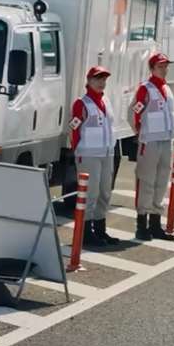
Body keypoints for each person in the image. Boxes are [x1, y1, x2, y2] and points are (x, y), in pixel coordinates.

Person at [128, 52, 174, 241]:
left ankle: (156, 224)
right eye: (160, 67)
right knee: (146, 181)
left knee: (161, 181)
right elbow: (133, 113)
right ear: (152, 69)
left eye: (166, 66)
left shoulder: (167, 89)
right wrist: (140, 133)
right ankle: (142, 224)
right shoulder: (145, 89)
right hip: (149, 142)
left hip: (166, 140)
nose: (164, 70)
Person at [70, 66, 119, 247]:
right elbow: (74, 130)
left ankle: (100, 229)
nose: (101, 82)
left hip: (106, 153)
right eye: (98, 79)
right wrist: (78, 151)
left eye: (104, 79)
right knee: (90, 194)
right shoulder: (81, 103)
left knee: (104, 193)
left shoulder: (106, 101)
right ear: (89, 81)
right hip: (88, 155)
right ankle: (85, 233)